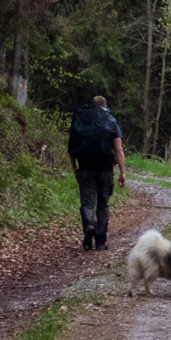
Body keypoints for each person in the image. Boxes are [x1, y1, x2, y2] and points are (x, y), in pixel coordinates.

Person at [68, 94, 128, 250]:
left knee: (87, 203)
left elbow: (72, 147)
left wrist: (74, 167)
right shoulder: (111, 121)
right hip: (105, 169)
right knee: (103, 204)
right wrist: (123, 172)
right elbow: (118, 149)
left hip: (85, 168)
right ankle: (100, 240)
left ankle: (89, 225)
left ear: (92, 105)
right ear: (105, 106)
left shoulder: (81, 119)